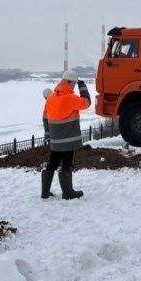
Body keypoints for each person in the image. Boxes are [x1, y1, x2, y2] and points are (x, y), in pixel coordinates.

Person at [41, 70, 91, 200]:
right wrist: (83, 87)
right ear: (68, 82)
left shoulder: (50, 98)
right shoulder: (71, 98)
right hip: (69, 139)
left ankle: (45, 192)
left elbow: (45, 119)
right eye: (73, 84)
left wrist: (48, 135)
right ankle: (68, 192)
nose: (74, 86)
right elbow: (86, 103)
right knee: (67, 164)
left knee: (52, 162)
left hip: (55, 140)